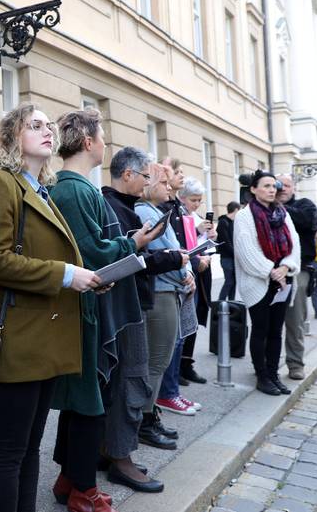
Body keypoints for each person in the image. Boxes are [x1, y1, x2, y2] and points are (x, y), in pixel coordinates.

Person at [0, 103, 102, 512]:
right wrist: (65, 275)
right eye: (36, 125)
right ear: (12, 137)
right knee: (9, 451)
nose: (48, 131)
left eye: (49, 126)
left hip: (43, 342)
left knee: (29, 452)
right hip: (16, 341)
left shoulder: (41, 189)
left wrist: (86, 280)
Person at [47, 109, 161, 512]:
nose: (106, 143)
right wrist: (135, 245)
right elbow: (92, 253)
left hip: (89, 307)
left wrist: (129, 244)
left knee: (87, 400)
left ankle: (69, 480)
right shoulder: (73, 189)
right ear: (90, 142)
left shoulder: (77, 187)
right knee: (88, 401)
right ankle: (81, 489)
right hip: (84, 310)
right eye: (103, 136)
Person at [101, 148, 186, 492]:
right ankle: (119, 457)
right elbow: (125, 257)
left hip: (136, 300)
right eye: (146, 176)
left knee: (131, 379)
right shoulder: (115, 206)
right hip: (126, 304)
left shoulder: (124, 206)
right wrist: (167, 257)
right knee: (130, 380)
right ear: (128, 175)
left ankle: (115, 451)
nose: (150, 182)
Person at [135, 164, 197, 439]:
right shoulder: (145, 211)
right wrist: (185, 274)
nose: (170, 188)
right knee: (156, 361)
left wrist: (186, 271)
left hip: (166, 290)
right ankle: (144, 420)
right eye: (164, 183)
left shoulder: (155, 210)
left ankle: (148, 417)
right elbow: (165, 255)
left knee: (158, 361)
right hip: (160, 292)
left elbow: (175, 252)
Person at [234, 171, 300, 395]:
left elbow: (295, 244)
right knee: (261, 330)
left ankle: (273, 373)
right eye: (266, 186)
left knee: (276, 331)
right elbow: (246, 251)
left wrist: (285, 267)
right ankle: (261, 376)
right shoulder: (245, 215)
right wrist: (272, 271)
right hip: (259, 281)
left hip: (282, 280)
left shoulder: (282, 212)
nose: (272, 190)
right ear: (253, 189)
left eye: (274, 186)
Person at [276, 174, 317, 380]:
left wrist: (277, 207)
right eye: (278, 185)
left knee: (294, 321)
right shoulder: (265, 209)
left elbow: (306, 221)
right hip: (272, 272)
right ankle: (267, 365)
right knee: (268, 322)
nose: (282, 189)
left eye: (286, 185)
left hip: (298, 270)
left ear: (293, 188)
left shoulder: (305, 205)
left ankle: (295, 364)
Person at [177, 177, 215, 390]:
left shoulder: (196, 216)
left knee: (194, 320)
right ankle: (179, 367)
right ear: (182, 198)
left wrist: (209, 241)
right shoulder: (179, 214)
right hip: (188, 272)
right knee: (185, 321)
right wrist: (198, 232)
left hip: (201, 271)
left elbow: (203, 245)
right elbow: (182, 244)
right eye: (193, 200)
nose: (197, 204)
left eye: (200, 200)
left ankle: (187, 363)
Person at [217, 202, 240, 301]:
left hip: (233, 257)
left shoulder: (232, 222)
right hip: (226, 258)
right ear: (236, 210)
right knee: (229, 281)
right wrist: (237, 255)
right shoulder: (223, 222)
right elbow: (226, 243)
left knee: (234, 282)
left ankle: (232, 303)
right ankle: (220, 303)